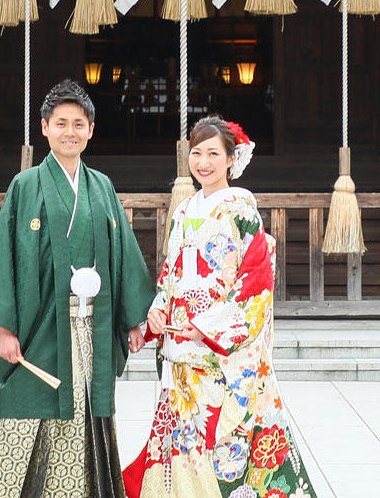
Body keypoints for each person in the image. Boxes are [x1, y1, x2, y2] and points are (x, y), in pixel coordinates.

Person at [0, 79, 154, 498]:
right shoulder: (26, 185)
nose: (69, 131)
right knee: (34, 409)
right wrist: (3, 327)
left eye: (78, 123)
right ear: (44, 128)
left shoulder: (102, 186)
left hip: (93, 324)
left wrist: (133, 319)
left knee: (85, 411)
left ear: (91, 129)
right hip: (41, 326)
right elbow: (6, 255)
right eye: (60, 123)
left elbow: (123, 253)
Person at [124, 117, 315, 498]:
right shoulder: (183, 211)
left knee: (227, 439)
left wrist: (209, 327)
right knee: (182, 436)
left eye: (214, 153)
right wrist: (156, 313)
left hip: (221, 350)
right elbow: (170, 274)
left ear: (232, 159)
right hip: (181, 344)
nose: (204, 162)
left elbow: (256, 281)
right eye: (197, 153)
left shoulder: (242, 208)